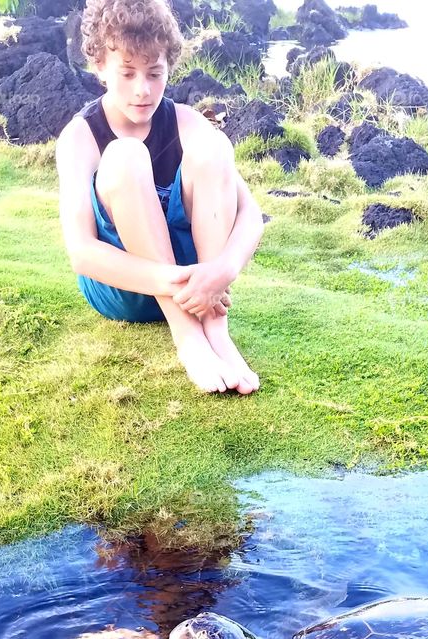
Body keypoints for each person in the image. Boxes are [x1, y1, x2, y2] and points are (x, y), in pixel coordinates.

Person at [55, 0, 264, 395]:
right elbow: (81, 252)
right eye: (128, 73)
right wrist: (180, 282)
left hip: (202, 291)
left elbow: (250, 213)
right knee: (126, 155)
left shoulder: (185, 121)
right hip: (125, 288)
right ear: (100, 66)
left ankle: (217, 333)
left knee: (214, 145)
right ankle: (189, 340)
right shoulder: (80, 137)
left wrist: (222, 272)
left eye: (155, 73)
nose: (142, 90)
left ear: (169, 65)